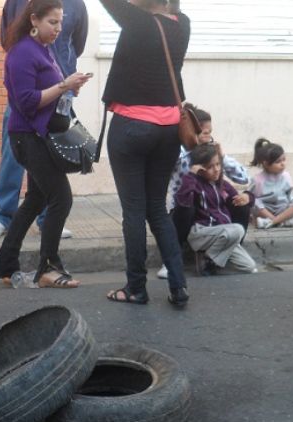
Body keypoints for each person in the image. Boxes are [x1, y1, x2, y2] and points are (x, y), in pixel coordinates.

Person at [0, 0, 92, 289]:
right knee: (61, 198)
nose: (59, 29)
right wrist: (63, 85)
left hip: (39, 135)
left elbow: (47, 92)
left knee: (36, 199)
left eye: (61, 22)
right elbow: (27, 101)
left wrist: (70, 86)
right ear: (34, 20)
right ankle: (48, 266)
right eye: (52, 22)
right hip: (28, 137)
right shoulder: (22, 52)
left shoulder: (43, 49)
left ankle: (5, 263)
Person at [100, 0, 190, 307]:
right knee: (157, 209)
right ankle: (178, 285)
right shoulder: (183, 24)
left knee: (134, 211)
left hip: (132, 127)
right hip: (169, 129)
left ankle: (136, 287)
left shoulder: (138, 22)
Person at [157, 103, 252, 279]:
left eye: (210, 132)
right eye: (205, 132)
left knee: (241, 206)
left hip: (210, 208)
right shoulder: (179, 153)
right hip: (183, 211)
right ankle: (171, 260)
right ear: (193, 132)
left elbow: (244, 178)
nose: (209, 137)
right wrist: (191, 150)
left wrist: (221, 158)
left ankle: (227, 250)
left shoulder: (211, 153)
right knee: (187, 206)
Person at [173, 142, 257, 276]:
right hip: (201, 233)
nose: (216, 169)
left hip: (223, 234)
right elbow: (183, 201)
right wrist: (191, 175)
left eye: (218, 164)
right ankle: (210, 260)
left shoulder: (222, 184)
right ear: (200, 169)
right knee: (238, 230)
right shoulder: (194, 184)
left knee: (250, 267)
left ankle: (208, 259)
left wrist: (247, 197)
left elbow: (240, 198)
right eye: (210, 167)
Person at [248, 138, 293, 229]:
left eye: (284, 160)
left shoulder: (286, 176)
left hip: (281, 209)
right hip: (265, 210)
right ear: (266, 164)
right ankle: (280, 221)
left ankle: (272, 222)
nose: (282, 164)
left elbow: (289, 195)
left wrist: (292, 204)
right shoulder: (258, 179)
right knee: (254, 202)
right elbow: (250, 197)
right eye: (278, 162)